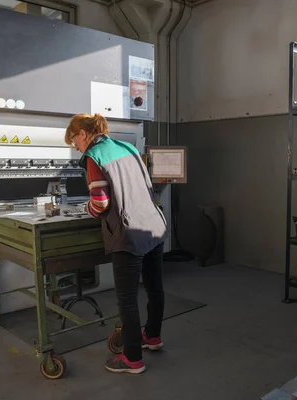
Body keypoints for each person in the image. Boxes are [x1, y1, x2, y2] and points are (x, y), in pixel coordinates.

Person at [65, 113, 167, 374]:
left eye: (74, 139)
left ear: (84, 134)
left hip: (129, 234)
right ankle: (152, 337)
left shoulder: (93, 157)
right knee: (155, 288)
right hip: (153, 225)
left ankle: (132, 359)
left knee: (127, 299)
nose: (75, 145)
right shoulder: (128, 147)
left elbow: (100, 203)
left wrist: (84, 209)